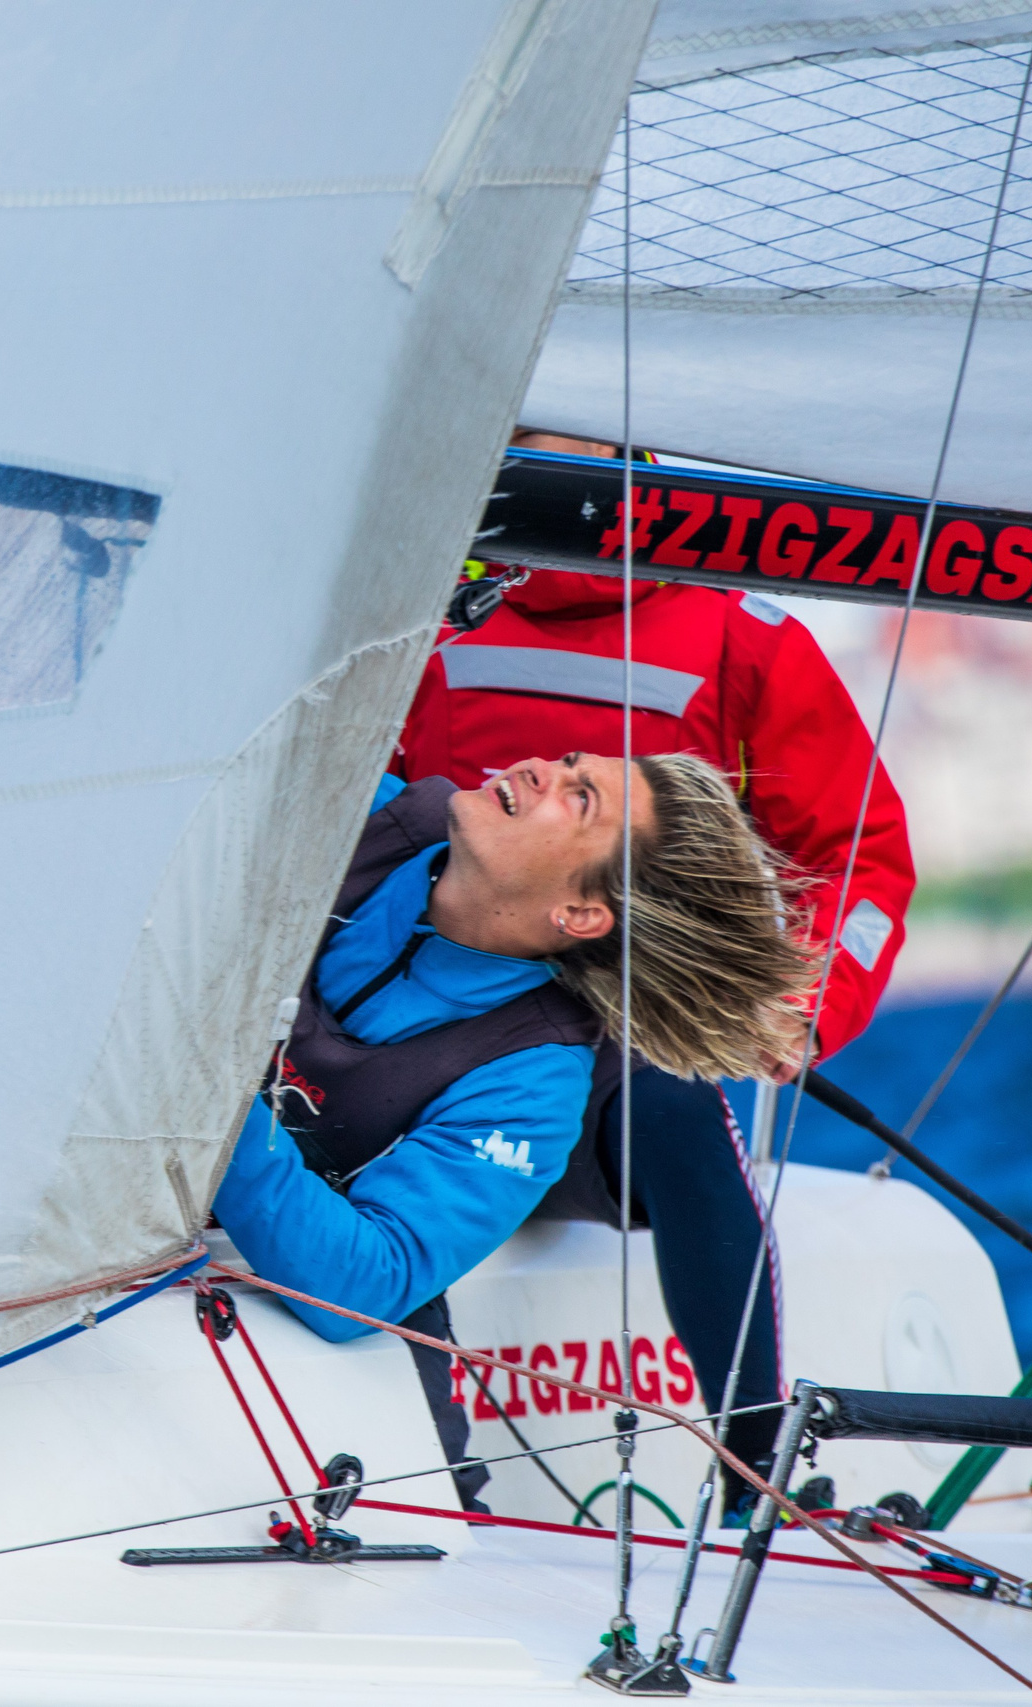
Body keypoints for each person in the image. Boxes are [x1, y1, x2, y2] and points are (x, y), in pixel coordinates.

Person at [386, 427, 919, 1510]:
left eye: (594, 473)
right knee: (348, 1142)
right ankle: (445, 1492)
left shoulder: (744, 640)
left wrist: (799, 1012)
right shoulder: (427, 613)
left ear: (649, 482)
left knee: (678, 1119)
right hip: (428, 1003)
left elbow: (855, 854)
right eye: (542, 475)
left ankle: (755, 1471)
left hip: (615, 1035)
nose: (567, 501)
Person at [214, 750, 818, 1510]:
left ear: (581, 914)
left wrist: (207, 1103)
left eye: (579, 796)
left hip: (269, 1230)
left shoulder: (532, 1082)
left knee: (425, 1516)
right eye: (566, 761)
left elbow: (366, 1279)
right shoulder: (345, 799)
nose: (539, 768)